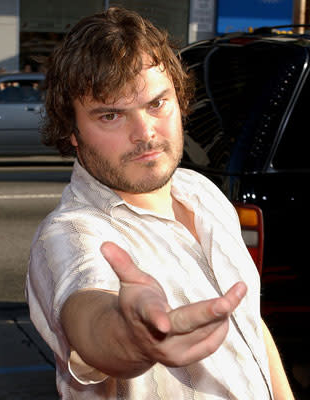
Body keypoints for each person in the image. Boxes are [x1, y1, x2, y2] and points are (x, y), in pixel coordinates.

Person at [26, 7, 295, 400]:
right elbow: (89, 311)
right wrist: (132, 337)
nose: (144, 132)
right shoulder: (69, 234)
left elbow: (249, 325)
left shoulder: (202, 192)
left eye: (156, 103)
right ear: (72, 131)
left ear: (180, 99)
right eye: (111, 115)